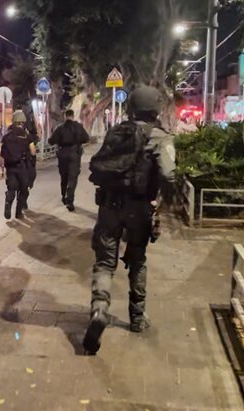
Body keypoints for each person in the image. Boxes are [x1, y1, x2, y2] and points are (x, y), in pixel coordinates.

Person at [83, 85, 176, 354]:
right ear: (155, 109)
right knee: (137, 260)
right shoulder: (160, 137)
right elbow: (169, 174)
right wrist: (163, 203)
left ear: (131, 107)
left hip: (109, 207)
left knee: (104, 262)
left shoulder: (116, 131)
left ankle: (99, 310)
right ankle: (137, 317)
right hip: (139, 209)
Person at [48, 109, 90, 211]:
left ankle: (64, 196)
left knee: (64, 177)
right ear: (73, 116)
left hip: (62, 154)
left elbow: (51, 141)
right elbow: (86, 138)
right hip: (74, 154)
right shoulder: (78, 127)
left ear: (65, 116)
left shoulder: (60, 128)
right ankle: (69, 200)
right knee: (72, 177)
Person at [0, 111, 36, 220]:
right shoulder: (26, 135)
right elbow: (33, 151)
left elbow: (1, 153)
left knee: (11, 188)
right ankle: (18, 212)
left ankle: (8, 204)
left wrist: (2, 165)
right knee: (23, 189)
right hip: (22, 166)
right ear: (22, 122)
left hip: (10, 167)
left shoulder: (6, 136)